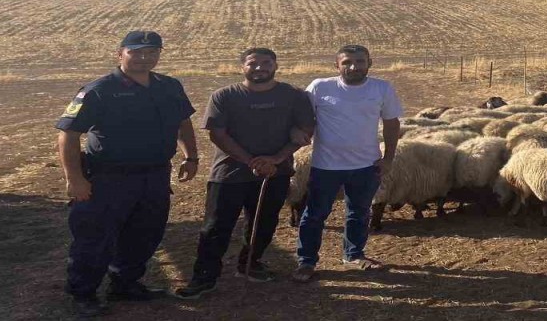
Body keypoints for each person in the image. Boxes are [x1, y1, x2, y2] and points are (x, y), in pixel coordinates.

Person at [55, 30, 199, 318]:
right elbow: (68, 135)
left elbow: (183, 123)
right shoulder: (99, 90)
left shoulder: (170, 86)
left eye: (151, 52)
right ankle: (83, 292)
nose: (144, 58)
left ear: (159, 54)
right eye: (136, 52)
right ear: (120, 53)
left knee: (145, 233)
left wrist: (191, 156)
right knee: (95, 237)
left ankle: (125, 284)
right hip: (108, 178)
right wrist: (75, 179)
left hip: (155, 176)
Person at [173, 48, 316, 299]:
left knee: (264, 222)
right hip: (229, 173)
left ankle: (251, 263)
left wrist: (276, 159)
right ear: (242, 67)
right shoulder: (224, 96)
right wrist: (252, 161)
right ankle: (204, 277)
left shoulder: (294, 95)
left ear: (276, 65)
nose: (259, 68)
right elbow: (218, 134)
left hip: (276, 172)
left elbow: (305, 130)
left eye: (266, 63)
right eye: (253, 63)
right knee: (216, 226)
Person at [292, 44, 403, 283]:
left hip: (366, 165)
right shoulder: (320, 87)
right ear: (337, 65)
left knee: (360, 212)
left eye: (360, 62)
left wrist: (389, 158)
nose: (354, 67)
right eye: (347, 62)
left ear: (369, 63)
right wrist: (295, 133)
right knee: (314, 215)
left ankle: (353, 255)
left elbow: (392, 123)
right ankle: (306, 261)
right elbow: (302, 118)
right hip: (326, 166)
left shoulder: (381, 88)